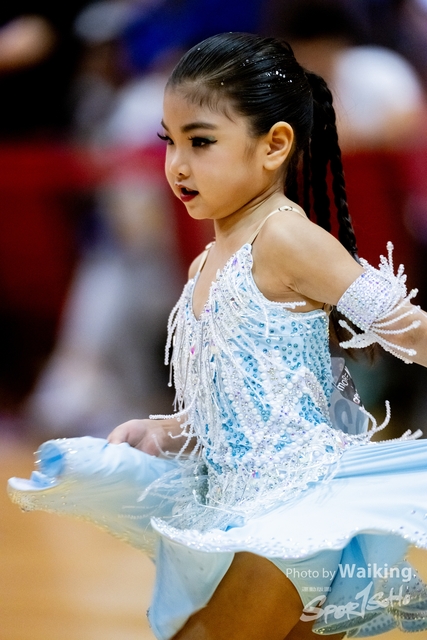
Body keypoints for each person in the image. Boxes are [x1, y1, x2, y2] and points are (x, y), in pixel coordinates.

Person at [8, 32, 427, 639]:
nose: (177, 165)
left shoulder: (287, 239)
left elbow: (411, 331)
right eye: (170, 142)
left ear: (274, 145)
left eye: (200, 141)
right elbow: (233, 405)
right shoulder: (205, 263)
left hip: (293, 516)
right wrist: (167, 430)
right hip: (234, 512)